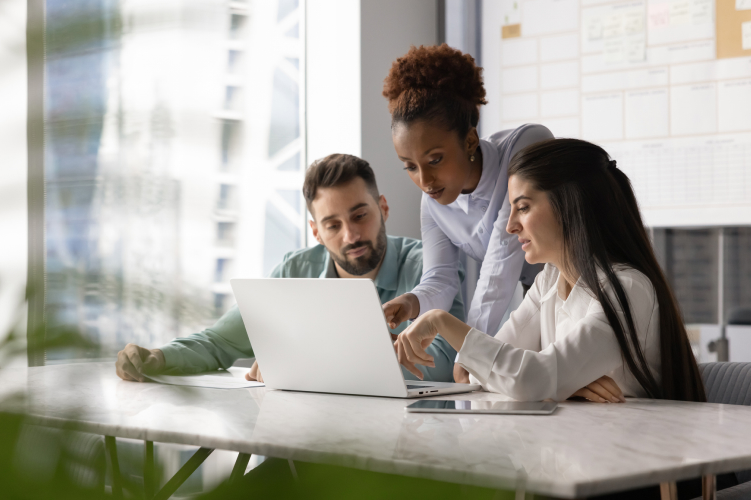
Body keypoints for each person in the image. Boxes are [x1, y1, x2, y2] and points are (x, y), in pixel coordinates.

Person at [394, 138, 706, 406]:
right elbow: (474, 373)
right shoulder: (548, 282)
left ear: (571, 206)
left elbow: (531, 378)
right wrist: (564, 387)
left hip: (635, 465)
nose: (510, 225)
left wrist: (439, 320)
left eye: (524, 207)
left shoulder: (627, 287)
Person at [115, 154, 465, 384]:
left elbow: (446, 363)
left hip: (411, 453)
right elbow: (220, 342)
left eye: (360, 215)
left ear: (382, 208)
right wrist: (158, 357)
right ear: (316, 231)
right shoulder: (296, 269)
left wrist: (299, 365)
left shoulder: (431, 267)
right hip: (314, 446)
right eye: (332, 225)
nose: (352, 234)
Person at [379, 44, 554, 384]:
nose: (425, 181)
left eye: (435, 160)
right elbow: (441, 278)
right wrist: (412, 303)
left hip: (590, 289)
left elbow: (501, 261)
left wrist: (468, 349)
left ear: (471, 140)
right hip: (540, 299)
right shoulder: (434, 204)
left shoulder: (525, 146)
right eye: (410, 167)